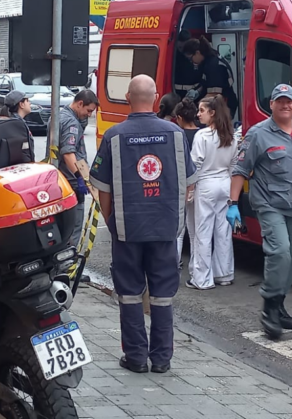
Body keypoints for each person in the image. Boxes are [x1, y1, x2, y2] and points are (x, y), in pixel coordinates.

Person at [90, 75, 197, 374]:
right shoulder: (175, 134)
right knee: (163, 295)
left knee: (129, 293)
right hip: (165, 228)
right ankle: (162, 359)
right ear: (156, 96)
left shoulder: (114, 136)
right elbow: (188, 185)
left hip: (128, 228)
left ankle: (136, 357)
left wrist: (114, 224)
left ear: (127, 96)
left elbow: (103, 189)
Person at [229, 83, 292, 340]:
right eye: (281, 101)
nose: (286, 105)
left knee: (289, 258)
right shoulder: (258, 134)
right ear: (272, 105)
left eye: (289, 101)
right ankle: (269, 310)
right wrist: (233, 204)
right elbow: (240, 170)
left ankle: (279, 306)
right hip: (269, 204)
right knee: (280, 252)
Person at [188, 95, 238, 290]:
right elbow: (234, 165)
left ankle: (201, 278)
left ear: (212, 113)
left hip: (205, 185)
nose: (198, 114)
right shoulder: (231, 136)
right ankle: (224, 273)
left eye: (202, 110)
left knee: (202, 232)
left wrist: (189, 189)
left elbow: (196, 165)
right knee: (223, 231)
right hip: (225, 183)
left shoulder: (202, 136)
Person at [48, 89, 99, 247]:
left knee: (61, 228)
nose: (89, 115)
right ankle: (69, 267)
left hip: (59, 181)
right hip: (72, 183)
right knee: (74, 229)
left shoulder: (58, 117)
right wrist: (80, 177)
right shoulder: (71, 122)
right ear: (80, 103)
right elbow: (69, 153)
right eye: (88, 110)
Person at [182, 36, 238, 120]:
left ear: (197, 53)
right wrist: (197, 91)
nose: (191, 61)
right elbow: (205, 83)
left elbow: (214, 94)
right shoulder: (209, 60)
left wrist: (195, 107)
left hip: (222, 107)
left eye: (190, 58)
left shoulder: (214, 66)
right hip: (217, 106)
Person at [174, 97, 200, 269]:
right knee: (195, 229)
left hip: (182, 184)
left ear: (180, 118)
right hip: (201, 184)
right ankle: (195, 263)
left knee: (178, 229)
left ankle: (174, 260)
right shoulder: (204, 132)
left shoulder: (178, 135)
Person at [174, 30, 201, 100]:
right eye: (180, 47)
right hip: (177, 94)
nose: (182, 50)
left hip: (194, 94)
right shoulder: (173, 56)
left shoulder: (196, 55)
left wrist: (197, 91)